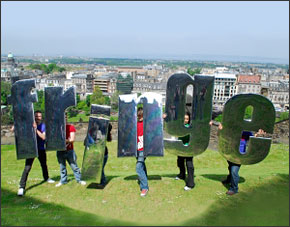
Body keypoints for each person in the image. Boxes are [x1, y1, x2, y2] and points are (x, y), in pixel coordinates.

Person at [216, 123, 266, 195]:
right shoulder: (231, 131)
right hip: (230, 154)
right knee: (230, 167)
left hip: (239, 156)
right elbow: (220, 135)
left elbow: (253, 138)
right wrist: (220, 129)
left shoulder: (246, 133)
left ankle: (234, 189)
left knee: (234, 171)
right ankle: (229, 179)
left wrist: (258, 134)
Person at [17, 110, 55, 196]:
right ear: (33, 117)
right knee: (27, 168)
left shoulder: (43, 126)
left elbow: (43, 137)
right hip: (31, 149)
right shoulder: (28, 125)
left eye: (39, 116)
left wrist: (35, 129)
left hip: (41, 149)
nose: (38, 118)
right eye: (36, 116)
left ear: (41, 118)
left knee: (44, 164)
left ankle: (46, 178)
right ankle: (21, 187)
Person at [55, 113, 86, 187]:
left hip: (69, 151)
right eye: (63, 117)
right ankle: (63, 181)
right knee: (62, 167)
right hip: (60, 150)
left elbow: (72, 139)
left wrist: (62, 140)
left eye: (65, 117)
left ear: (67, 118)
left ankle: (79, 179)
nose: (64, 118)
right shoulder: (57, 128)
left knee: (74, 166)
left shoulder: (71, 127)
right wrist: (66, 140)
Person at [175, 112, 195, 191]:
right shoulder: (180, 126)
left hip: (188, 148)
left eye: (187, 119)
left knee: (189, 165)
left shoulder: (189, 127)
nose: (185, 120)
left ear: (189, 120)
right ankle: (181, 175)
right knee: (180, 162)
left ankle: (190, 184)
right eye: (184, 118)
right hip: (181, 147)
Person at [136, 107, 149, 197]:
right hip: (136, 149)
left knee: (138, 167)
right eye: (138, 116)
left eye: (141, 116)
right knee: (142, 166)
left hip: (143, 149)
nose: (140, 117)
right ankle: (145, 178)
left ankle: (144, 187)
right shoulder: (136, 124)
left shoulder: (147, 124)